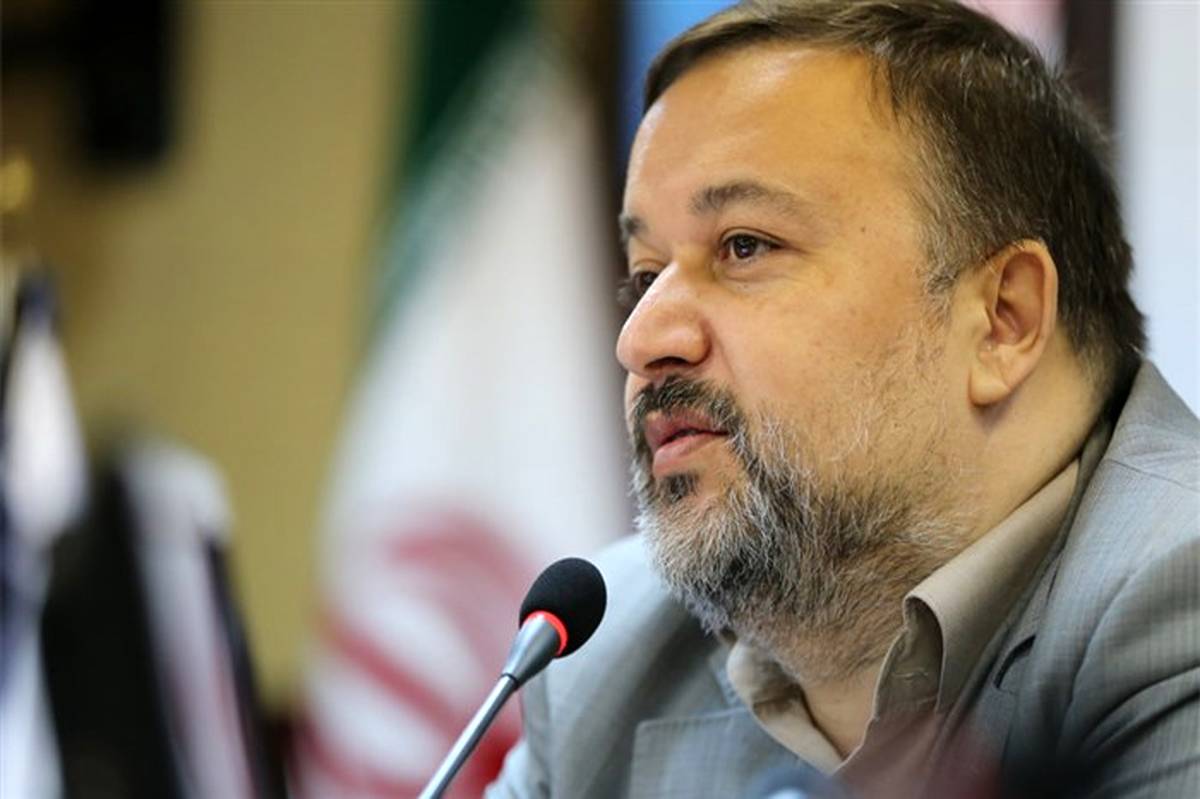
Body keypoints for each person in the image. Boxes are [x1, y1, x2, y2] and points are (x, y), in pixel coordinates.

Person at [489, 1, 1199, 796]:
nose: (640, 338)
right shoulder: (596, 653)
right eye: (645, 276)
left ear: (1004, 319)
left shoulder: (1180, 597)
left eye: (745, 246)